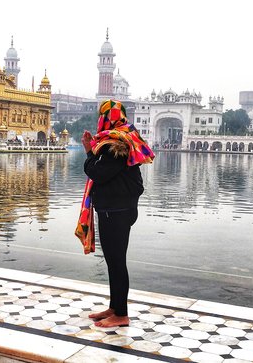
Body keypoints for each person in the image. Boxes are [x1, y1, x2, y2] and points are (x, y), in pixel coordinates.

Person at [75, 99, 154, 328]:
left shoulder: (115, 144)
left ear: (106, 117)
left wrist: (89, 153)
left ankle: (122, 314)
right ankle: (115, 306)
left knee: (117, 262)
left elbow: (97, 174)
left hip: (115, 211)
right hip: (119, 209)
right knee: (113, 261)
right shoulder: (125, 137)